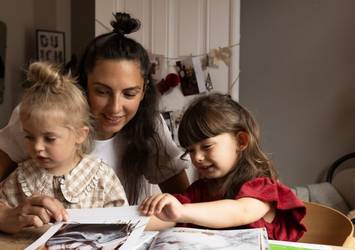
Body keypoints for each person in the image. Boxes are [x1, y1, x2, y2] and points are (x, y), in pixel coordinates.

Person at [0, 12, 189, 210]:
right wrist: (7, 218)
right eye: (102, 91)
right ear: (84, 83)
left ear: (143, 91)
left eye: (129, 94)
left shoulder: (151, 125)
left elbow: (184, 202)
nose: (115, 108)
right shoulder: (40, 115)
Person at [140, 93, 306, 241]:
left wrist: (181, 211)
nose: (197, 157)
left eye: (207, 147)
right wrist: (133, 223)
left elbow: (241, 212)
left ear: (241, 141)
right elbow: (168, 217)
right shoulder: (198, 191)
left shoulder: (262, 187)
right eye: (191, 150)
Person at [0, 62, 127, 233]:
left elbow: (125, 226)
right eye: (29, 137)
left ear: (80, 135)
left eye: (49, 138)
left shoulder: (102, 178)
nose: (37, 147)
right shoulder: (19, 178)